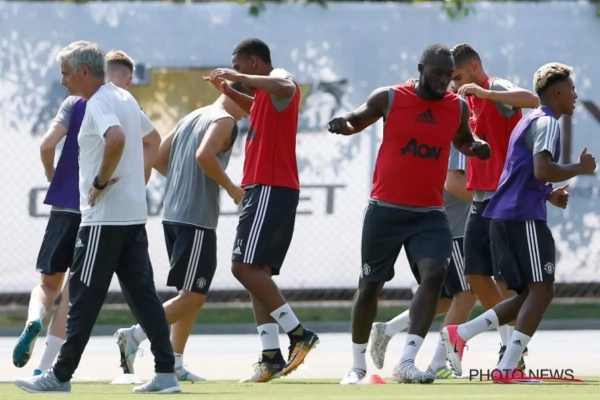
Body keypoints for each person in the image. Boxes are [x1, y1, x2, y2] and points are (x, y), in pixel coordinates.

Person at [13, 41, 179, 394]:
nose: (63, 81)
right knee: (144, 297)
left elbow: (115, 138)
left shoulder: (99, 102)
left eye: (66, 74)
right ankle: (166, 373)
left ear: (84, 72)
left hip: (103, 220)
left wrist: (101, 182)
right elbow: (151, 138)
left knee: (83, 299)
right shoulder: (124, 97)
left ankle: (59, 375)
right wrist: (132, 180)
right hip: (131, 216)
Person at [327, 44, 490, 384]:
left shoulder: (456, 106)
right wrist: (343, 124)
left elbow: (463, 139)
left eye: (449, 75)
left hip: (429, 213)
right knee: (370, 286)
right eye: (438, 74)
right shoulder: (390, 97)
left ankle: (407, 361)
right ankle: (357, 366)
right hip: (385, 210)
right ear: (420, 69)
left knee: (435, 274)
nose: (445, 81)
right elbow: (357, 119)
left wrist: (474, 146)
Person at [442, 62, 593, 383]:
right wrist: (579, 168)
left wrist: (547, 194)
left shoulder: (529, 120)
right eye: (572, 89)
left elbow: (522, 174)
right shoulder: (547, 122)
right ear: (557, 91)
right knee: (543, 290)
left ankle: (462, 334)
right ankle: (507, 367)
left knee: (529, 293)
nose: (576, 95)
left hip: (508, 215)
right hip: (522, 216)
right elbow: (542, 169)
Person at [113, 81, 250, 383]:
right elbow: (204, 155)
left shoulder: (193, 116)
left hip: (173, 216)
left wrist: (183, 182)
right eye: (250, 100)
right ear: (237, 94)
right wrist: (231, 189)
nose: (250, 110)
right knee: (194, 297)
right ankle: (134, 335)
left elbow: (160, 158)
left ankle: (174, 362)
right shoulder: (225, 120)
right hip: (196, 219)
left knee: (188, 295)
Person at [203, 38, 319, 383]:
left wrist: (239, 79)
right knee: (257, 272)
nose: (236, 73)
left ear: (255, 62)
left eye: (239, 67)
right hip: (265, 186)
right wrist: (230, 90)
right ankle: (270, 356)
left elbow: (287, 87)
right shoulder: (266, 97)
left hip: (269, 185)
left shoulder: (279, 77)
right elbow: (259, 108)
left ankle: (298, 333)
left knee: (242, 267)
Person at [450, 43, 540, 368]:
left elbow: (532, 100)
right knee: (475, 274)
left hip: (503, 199)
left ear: (474, 68)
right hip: (479, 199)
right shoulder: (464, 103)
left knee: (506, 281)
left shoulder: (495, 87)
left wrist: (486, 93)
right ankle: (509, 344)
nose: (456, 84)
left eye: (459, 77)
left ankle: (513, 350)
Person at [368, 145, 476, 380]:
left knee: (446, 299)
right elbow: (453, 183)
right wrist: (491, 203)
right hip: (454, 227)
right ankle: (438, 363)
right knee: (467, 295)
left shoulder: (460, 135)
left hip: (448, 223)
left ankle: (389, 329)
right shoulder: (462, 136)